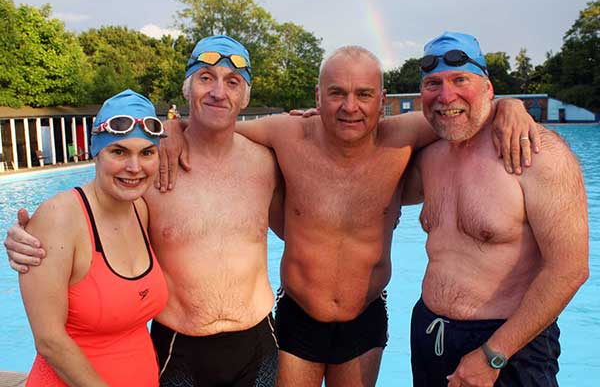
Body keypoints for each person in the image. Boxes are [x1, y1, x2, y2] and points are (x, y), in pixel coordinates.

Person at [5, 41, 536, 386]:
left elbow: (458, 115)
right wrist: (44, 229)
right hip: (224, 334)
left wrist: (509, 105)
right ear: (317, 96)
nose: (349, 106)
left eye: (363, 94)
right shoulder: (222, 150)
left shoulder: (384, 141)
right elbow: (112, 187)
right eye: (336, 93)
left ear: (380, 101)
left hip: (315, 326)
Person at [6, 36, 281, 387]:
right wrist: (27, 238)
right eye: (206, 77)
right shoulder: (151, 174)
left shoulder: (266, 163)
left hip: (257, 344)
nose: (218, 91)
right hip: (179, 350)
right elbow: (89, 215)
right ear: (187, 89)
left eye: (232, 82)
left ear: (246, 95)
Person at [400, 31, 589, 387]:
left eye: (460, 80)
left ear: (488, 88)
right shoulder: (428, 157)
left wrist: (493, 354)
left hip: (509, 345)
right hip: (430, 335)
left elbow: (570, 269)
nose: (446, 95)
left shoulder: (537, 155)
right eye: (432, 83)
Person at [19, 89, 169, 386]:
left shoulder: (140, 209)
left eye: (146, 153)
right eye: (119, 151)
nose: (134, 167)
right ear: (96, 151)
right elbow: (49, 340)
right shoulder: (59, 217)